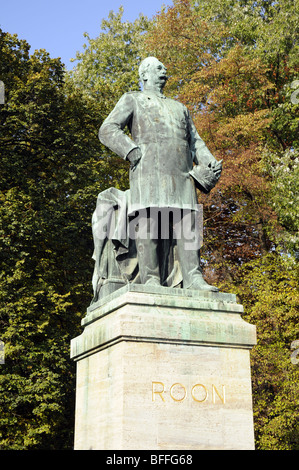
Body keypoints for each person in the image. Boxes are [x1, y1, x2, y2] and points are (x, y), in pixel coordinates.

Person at [99, 57, 222, 291]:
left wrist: (210, 163)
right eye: (158, 67)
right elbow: (107, 129)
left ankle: (194, 278)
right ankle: (150, 278)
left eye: (164, 67)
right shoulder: (132, 99)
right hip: (148, 171)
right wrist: (130, 149)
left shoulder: (180, 107)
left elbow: (196, 142)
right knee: (149, 224)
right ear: (144, 74)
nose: (165, 70)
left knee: (187, 223)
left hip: (182, 173)